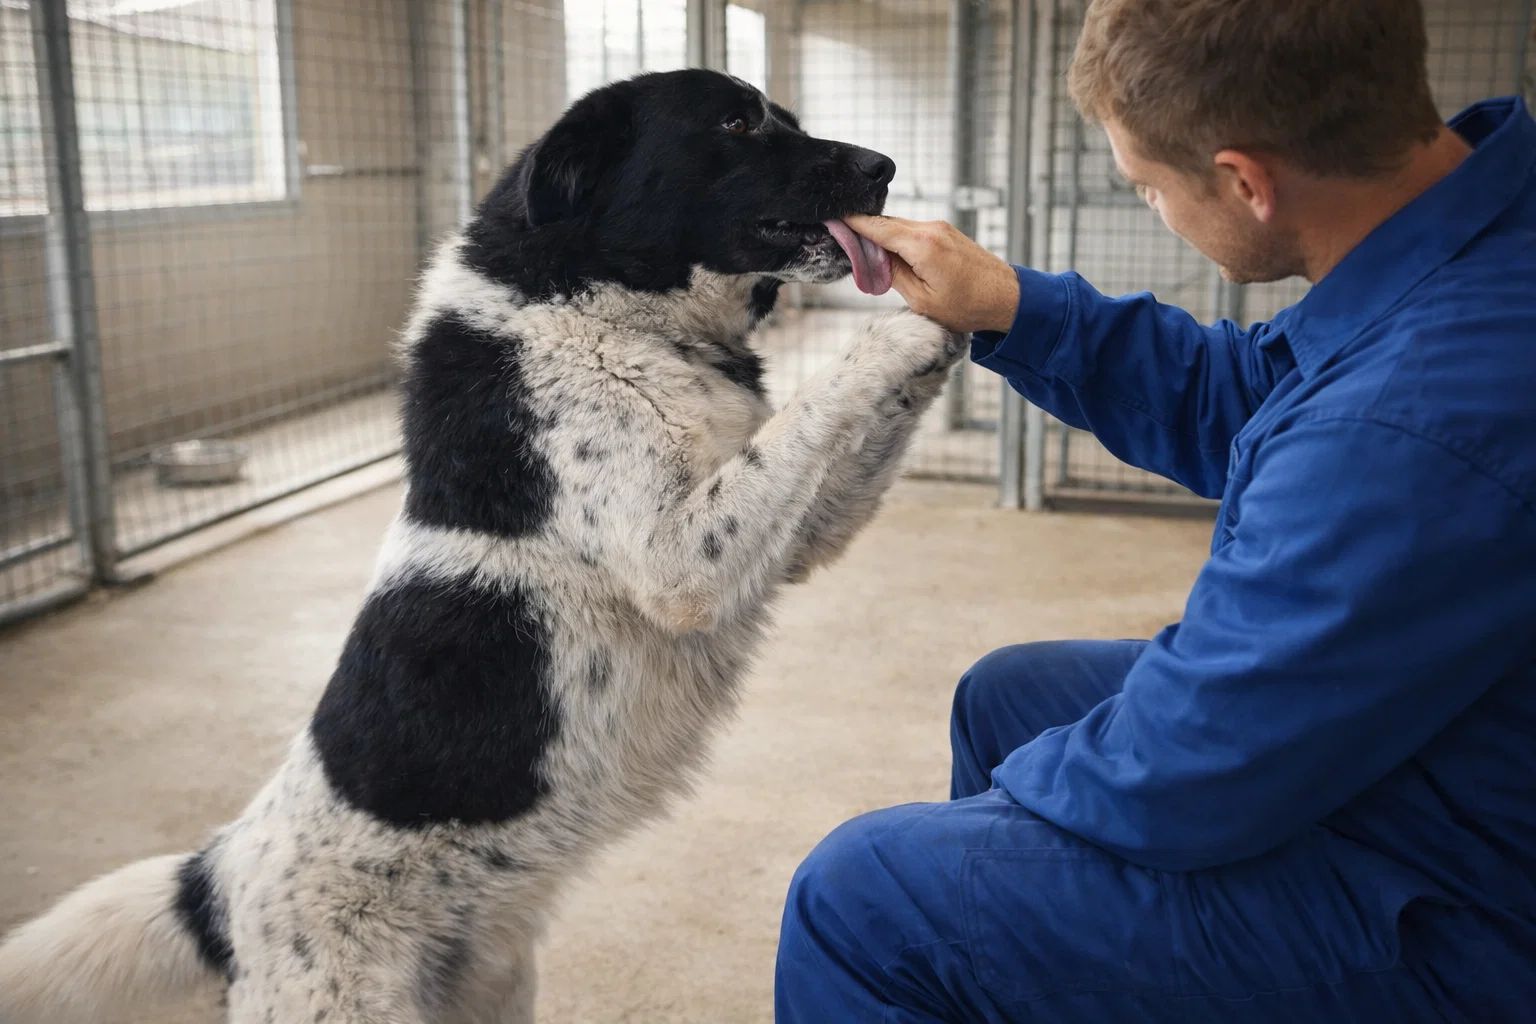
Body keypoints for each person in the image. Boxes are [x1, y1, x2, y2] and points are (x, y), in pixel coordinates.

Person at [772, 1, 1536, 1021]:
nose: (1152, 204)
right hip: (1455, 735)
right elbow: (1260, 397)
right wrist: (1010, 304)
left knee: (865, 896)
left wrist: (1012, 811)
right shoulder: (1476, 237)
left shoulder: (1415, 420)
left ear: (1245, 181)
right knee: (1009, 694)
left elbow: (1190, 767)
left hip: (1466, 897)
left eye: (1147, 185)